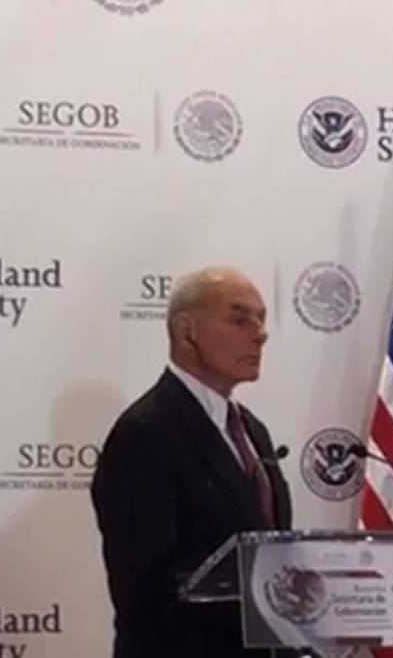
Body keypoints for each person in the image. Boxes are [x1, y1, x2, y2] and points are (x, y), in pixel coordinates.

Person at [92, 266, 293, 658]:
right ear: (187, 331)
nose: (260, 334)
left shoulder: (252, 429)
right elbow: (145, 589)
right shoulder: (145, 432)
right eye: (239, 319)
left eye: (262, 319)